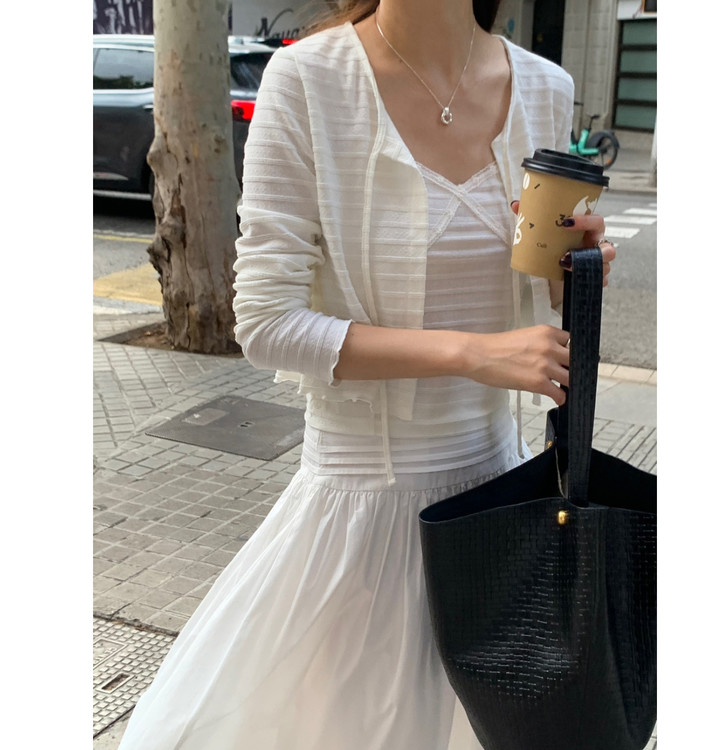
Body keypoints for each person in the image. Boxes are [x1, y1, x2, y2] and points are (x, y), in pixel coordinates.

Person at [116, 1, 615, 748]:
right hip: (361, 523)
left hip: (502, 521)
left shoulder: (545, 86)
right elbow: (266, 323)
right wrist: (473, 353)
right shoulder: (308, 79)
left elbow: (539, 294)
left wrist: (577, 275)